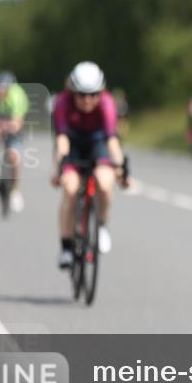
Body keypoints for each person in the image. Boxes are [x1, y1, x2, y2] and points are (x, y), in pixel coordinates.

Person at [50, 62, 128, 269]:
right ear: (72, 92)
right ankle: (66, 247)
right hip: (72, 144)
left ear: (101, 92)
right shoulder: (62, 103)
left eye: (94, 94)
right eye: (82, 95)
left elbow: (112, 140)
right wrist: (59, 168)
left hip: (97, 143)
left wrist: (121, 168)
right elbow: (61, 140)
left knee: (105, 183)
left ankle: (102, 225)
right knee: (70, 188)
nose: (88, 100)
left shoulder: (107, 103)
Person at [0, 71, 29, 212]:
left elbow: (17, 123)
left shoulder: (18, 95)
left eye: (5, 89)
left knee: (14, 157)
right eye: (0, 88)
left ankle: (15, 190)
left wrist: (7, 126)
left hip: (13, 125)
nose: (2, 92)